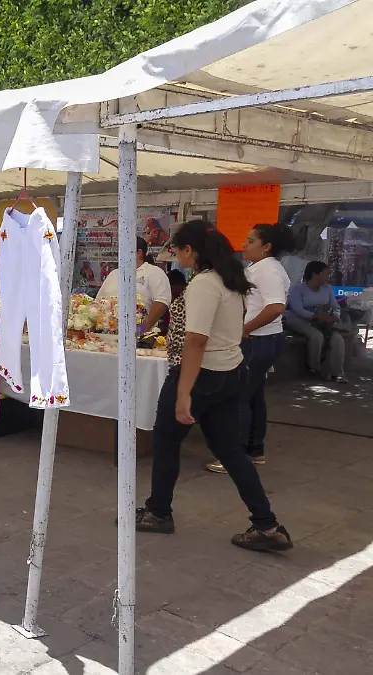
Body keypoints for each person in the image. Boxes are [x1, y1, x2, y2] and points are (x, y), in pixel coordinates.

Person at [136, 220, 292, 552]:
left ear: (189, 251)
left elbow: (196, 341)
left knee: (165, 441)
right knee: (230, 451)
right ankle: (265, 524)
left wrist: (183, 394)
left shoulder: (205, 284)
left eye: (176, 250)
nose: (175, 256)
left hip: (203, 374)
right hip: (229, 371)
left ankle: (159, 512)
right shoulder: (231, 279)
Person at [207, 223, 294, 474]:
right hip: (262, 339)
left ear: (266, 247)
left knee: (239, 396)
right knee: (253, 394)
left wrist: (246, 329)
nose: (244, 245)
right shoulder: (260, 268)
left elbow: (275, 307)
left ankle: (236, 455)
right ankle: (255, 449)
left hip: (259, 340)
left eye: (250, 241)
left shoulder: (268, 270)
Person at [284, 261, 346, 383]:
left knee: (337, 339)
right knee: (316, 336)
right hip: (298, 319)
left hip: (322, 320)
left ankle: (337, 373)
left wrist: (335, 316)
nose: (329, 276)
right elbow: (298, 310)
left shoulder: (327, 288)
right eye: (326, 273)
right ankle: (314, 368)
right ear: (315, 274)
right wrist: (318, 317)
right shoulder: (297, 289)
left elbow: (335, 306)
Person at [97, 236, 171, 334]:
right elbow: (97, 302)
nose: (120, 253)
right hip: (106, 333)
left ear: (138, 252)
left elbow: (162, 302)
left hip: (139, 337)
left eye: (124, 249)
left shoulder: (154, 272)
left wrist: (143, 329)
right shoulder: (114, 273)